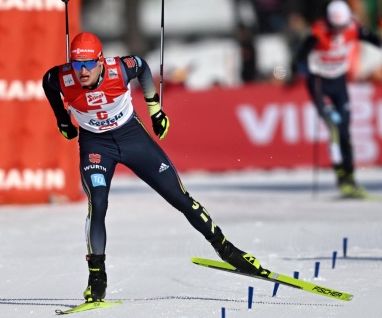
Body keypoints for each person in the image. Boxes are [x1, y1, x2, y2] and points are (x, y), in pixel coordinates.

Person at [42, 32, 268, 304]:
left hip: (131, 138)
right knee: (98, 204)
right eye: (77, 65)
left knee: (179, 198)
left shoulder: (120, 69)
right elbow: (47, 82)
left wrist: (155, 109)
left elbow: (143, 66)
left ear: (101, 60)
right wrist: (62, 119)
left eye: (88, 64)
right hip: (96, 146)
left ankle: (228, 251)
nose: (82, 72)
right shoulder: (63, 77)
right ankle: (97, 277)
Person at [289, 0, 381, 198]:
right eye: (336, 26)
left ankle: (351, 177)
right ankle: (341, 177)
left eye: (343, 26)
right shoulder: (319, 31)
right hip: (320, 83)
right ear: (330, 22)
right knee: (334, 128)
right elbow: (300, 55)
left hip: (338, 83)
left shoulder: (353, 28)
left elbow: (374, 39)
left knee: (346, 130)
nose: (340, 30)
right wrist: (299, 67)